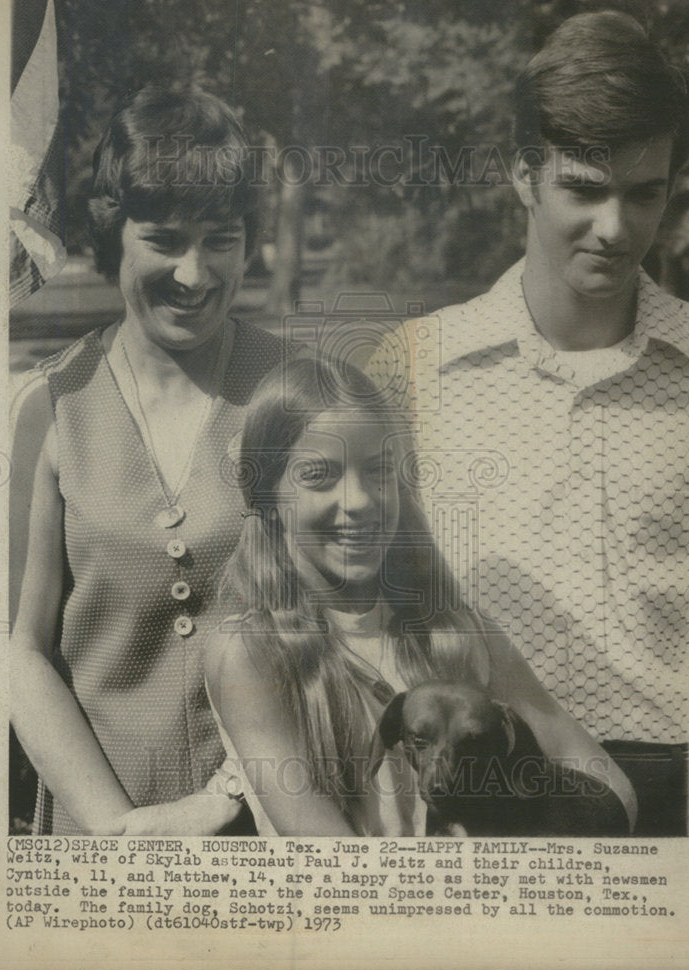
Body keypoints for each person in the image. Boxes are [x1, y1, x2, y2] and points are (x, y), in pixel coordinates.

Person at [366, 11, 689, 835]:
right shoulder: (411, 368)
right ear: (522, 173)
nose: (616, 229)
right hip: (485, 797)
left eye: (644, 193)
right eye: (583, 188)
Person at [9, 85, 294, 835]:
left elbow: (353, 631)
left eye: (221, 239)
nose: (195, 275)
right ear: (114, 234)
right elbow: (20, 651)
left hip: (273, 824)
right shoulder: (51, 401)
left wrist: (223, 799)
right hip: (94, 836)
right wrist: (115, 828)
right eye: (165, 239)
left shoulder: (302, 397)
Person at [204, 356, 637, 836]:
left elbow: (609, 784)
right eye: (318, 475)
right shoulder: (252, 652)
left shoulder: (458, 632)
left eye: (378, 471)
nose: (360, 500)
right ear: (267, 495)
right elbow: (325, 856)